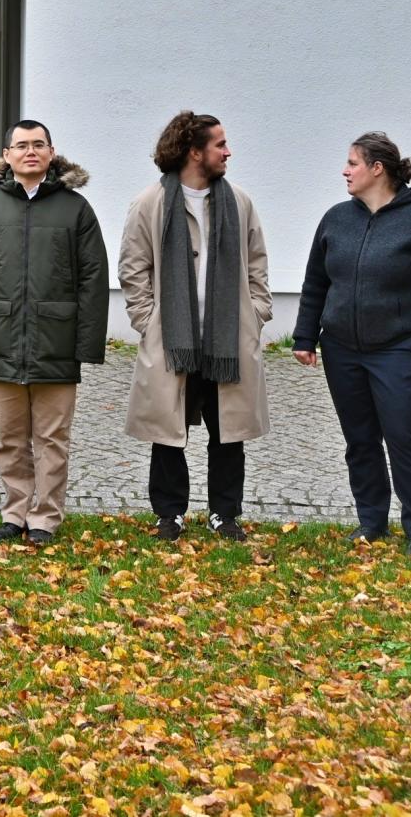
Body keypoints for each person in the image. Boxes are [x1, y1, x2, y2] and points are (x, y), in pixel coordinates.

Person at [292, 133, 411, 559]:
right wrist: (305, 336)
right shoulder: (335, 219)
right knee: (360, 439)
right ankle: (372, 521)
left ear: (377, 168)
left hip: (399, 348)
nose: (345, 171)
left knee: (404, 436)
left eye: (352, 163)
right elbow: (316, 282)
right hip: (342, 349)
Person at [0, 119, 108, 545]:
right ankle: (15, 511)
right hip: (1, 339)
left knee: (52, 438)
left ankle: (45, 518)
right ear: (7, 156)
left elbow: (93, 281)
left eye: (38, 145)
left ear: (52, 152)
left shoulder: (76, 210)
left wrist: (86, 346)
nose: (30, 152)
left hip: (56, 340)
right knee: (10, 438)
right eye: (21, 145)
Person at [118, 111, 271, 542]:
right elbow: (134, 269)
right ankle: (170, 514)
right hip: (172, 337)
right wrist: (147, 322)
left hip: (229, 337)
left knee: (228, 432)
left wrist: (256, 313)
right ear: (193, 151)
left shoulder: (238, 202)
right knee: (168, 431)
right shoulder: (150, 202)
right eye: (219, 144)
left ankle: (225, 514)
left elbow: (257, 261)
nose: (228, 151)